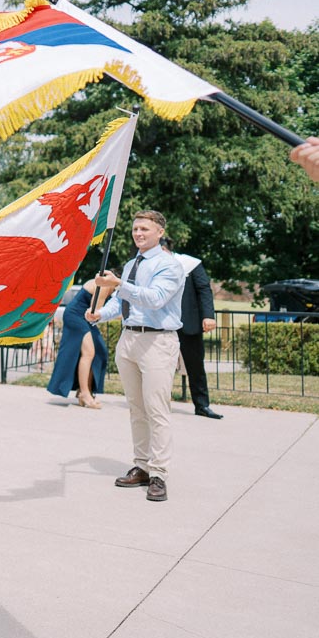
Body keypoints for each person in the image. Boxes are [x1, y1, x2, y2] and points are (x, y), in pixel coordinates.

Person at [87, 210, 186, 503]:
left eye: (144, 228)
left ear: (159, 232)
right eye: (135, 229)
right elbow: (120, 302)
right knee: (136, 409)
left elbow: (155, 298)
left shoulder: (169, 265)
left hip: (157, 341)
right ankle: (141, 465)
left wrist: (118, 284)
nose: (138, 233)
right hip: (129, 339)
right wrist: (99, 315)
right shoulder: (132, 264)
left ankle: (159, 474)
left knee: (157, 410)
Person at [168, 238, 222, 419]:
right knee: (158, 366)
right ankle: (158, 404)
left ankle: (202, 405)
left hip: (188, 322)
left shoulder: (189, 264)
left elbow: (204, 289)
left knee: (195, 366)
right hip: (162, 323)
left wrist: (208, 316)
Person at [47, 279, 108, 408]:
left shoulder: (102, 282)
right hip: (77, 316)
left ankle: (86, 390)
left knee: (99, 351)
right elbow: (95, 311)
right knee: (89, 353)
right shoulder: (105, 285)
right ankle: (85, 394)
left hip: (84, 317)